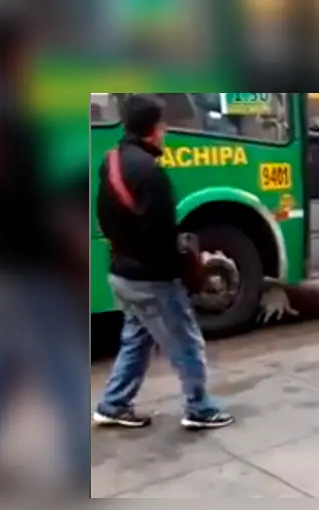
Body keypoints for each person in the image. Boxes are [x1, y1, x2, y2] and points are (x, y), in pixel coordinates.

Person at [0, 12, 88, 490]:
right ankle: (82, 466)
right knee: (63, 366)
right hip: (22, 269)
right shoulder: (11, 115)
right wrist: (70, 257)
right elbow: (30, 203)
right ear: (14, 55)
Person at [93, 94, 234, 430]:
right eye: (163, 125)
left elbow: (104, 216)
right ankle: (199, 408)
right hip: (151, 278)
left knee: (137, 338)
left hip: (122, 273)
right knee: (186, 340)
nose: (165, 131)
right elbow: (161, 234)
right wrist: (183, 274)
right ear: (155, 130)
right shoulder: (151, 174)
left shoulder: (111, 160)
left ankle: (113, 404)